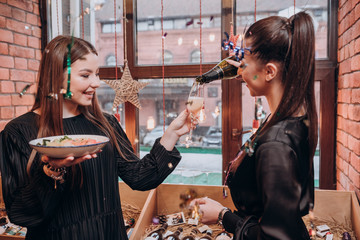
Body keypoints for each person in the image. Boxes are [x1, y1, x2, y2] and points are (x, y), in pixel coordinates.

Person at [0, 35, 192, 239]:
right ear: (55, 77)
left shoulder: (105, 124)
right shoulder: (18, 132)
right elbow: (21, 214)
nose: (97, 83)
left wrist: (172, 134)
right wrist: (52, 171)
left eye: (97, 74)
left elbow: (140, 177)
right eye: (85, 75)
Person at [191, 12, 318, 240]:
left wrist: (223, 216)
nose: (239, 72)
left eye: (244, 64)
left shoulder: (277, 144)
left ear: (269, 71)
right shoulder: (291, 117)